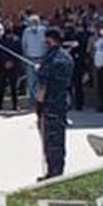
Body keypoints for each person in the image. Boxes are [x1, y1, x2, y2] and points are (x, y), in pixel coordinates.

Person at [35, 27, 75, 180]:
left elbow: (43, 86)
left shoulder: (49, 59)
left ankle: (52, 173)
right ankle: (59, 170)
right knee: (60, 138)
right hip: (63, 100)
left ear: (50, 39)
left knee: (50, 140)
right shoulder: (67, 57)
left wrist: (39, 105)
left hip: (50, 104)